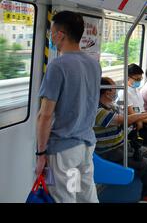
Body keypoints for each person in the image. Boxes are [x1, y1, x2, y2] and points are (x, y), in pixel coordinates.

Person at [35, 11, 101, 203]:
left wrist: (40, 154)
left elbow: (45, 116)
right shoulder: (93, 64)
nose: (51, 36)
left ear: (61, 34)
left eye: (52, 32)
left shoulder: (58, 65)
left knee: (65, 198)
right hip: (86, 146)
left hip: (64, 151)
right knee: (85, 195)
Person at [95, 77, 147, 203]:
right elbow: (121, 120)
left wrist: (136, 121)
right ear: (107, 92)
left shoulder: (111, 106)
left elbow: (126, 118)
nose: (116, 91)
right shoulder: (98, 111)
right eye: (114, 89)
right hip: (110, 151)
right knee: (145, 164)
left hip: (122, 145)